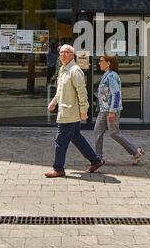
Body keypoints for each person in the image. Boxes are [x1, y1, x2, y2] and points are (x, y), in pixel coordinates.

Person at [45, 44, 105, 177]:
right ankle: (95, 161)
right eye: (60, 53)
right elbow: (60, 91)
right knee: (76, 138)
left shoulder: (75, 70)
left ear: (72, 55)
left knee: (60, 141)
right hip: (65, 111)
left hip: (70, 113)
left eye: (66, 52)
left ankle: (58, 168)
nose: (62, 55)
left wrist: (84, 110)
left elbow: (82, 92)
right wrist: (53, 102)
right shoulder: (63, 69)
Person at [94, 54, 145, 165]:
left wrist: (112, 111)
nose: (99, 63)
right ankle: (97, 158)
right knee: (97, 131)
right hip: (104, 110)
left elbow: (116, 94)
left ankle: (135, 151)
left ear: (108, 63)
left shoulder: (112, 76)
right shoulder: (106, 75)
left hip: (111, 110)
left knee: (114, 133)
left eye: (101, 60)